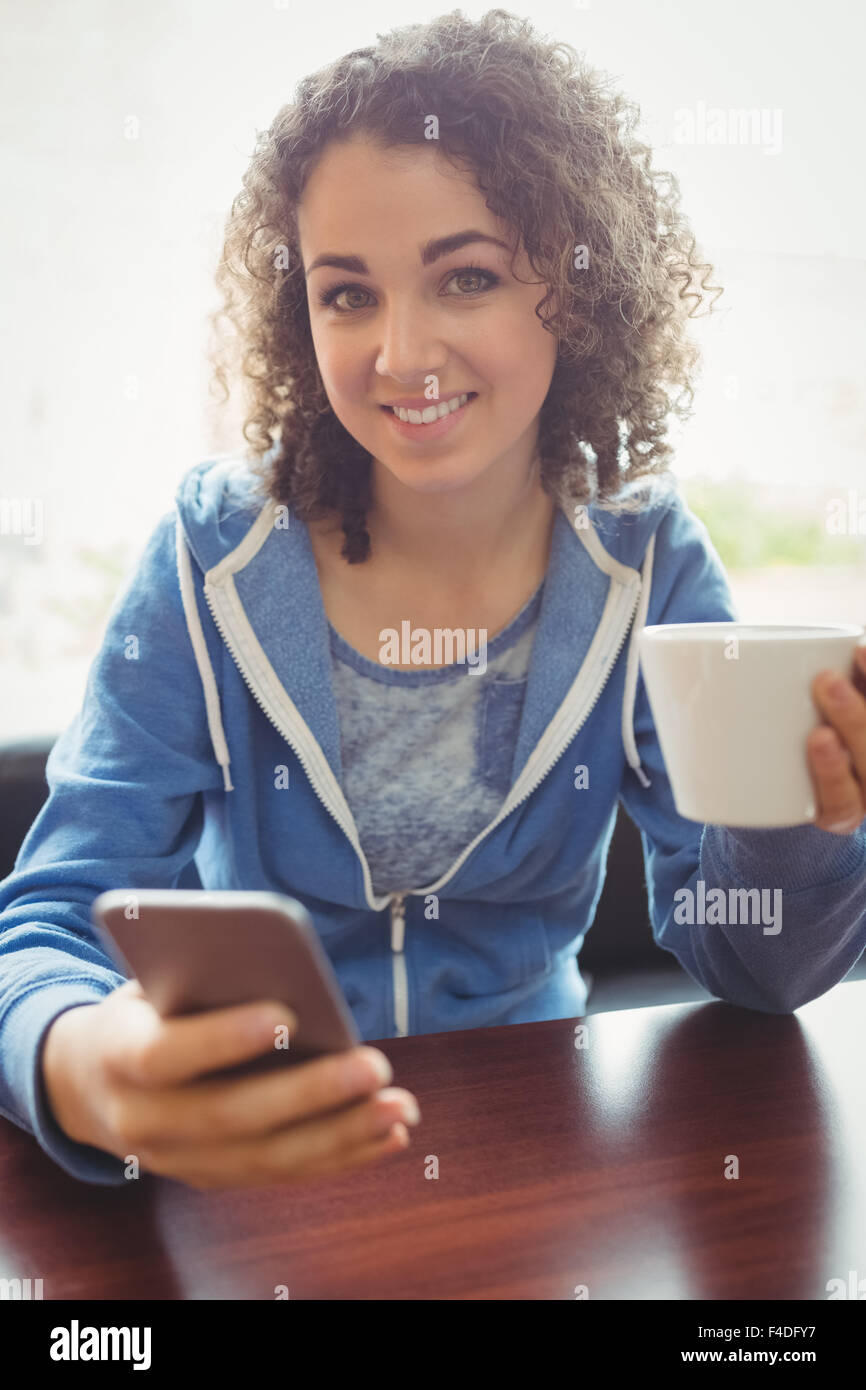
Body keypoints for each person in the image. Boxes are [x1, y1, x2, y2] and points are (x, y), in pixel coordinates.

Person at [1, 9, 865, 1192]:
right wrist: (81, 1063)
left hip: (533, 1152)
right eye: (345, 294)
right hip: (264, 1167)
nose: (402, 352)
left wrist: (802, 824)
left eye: (464, 277)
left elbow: (753, 966)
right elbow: (47, 918)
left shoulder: (646, 563)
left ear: (572, 290)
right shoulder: (209, 563)